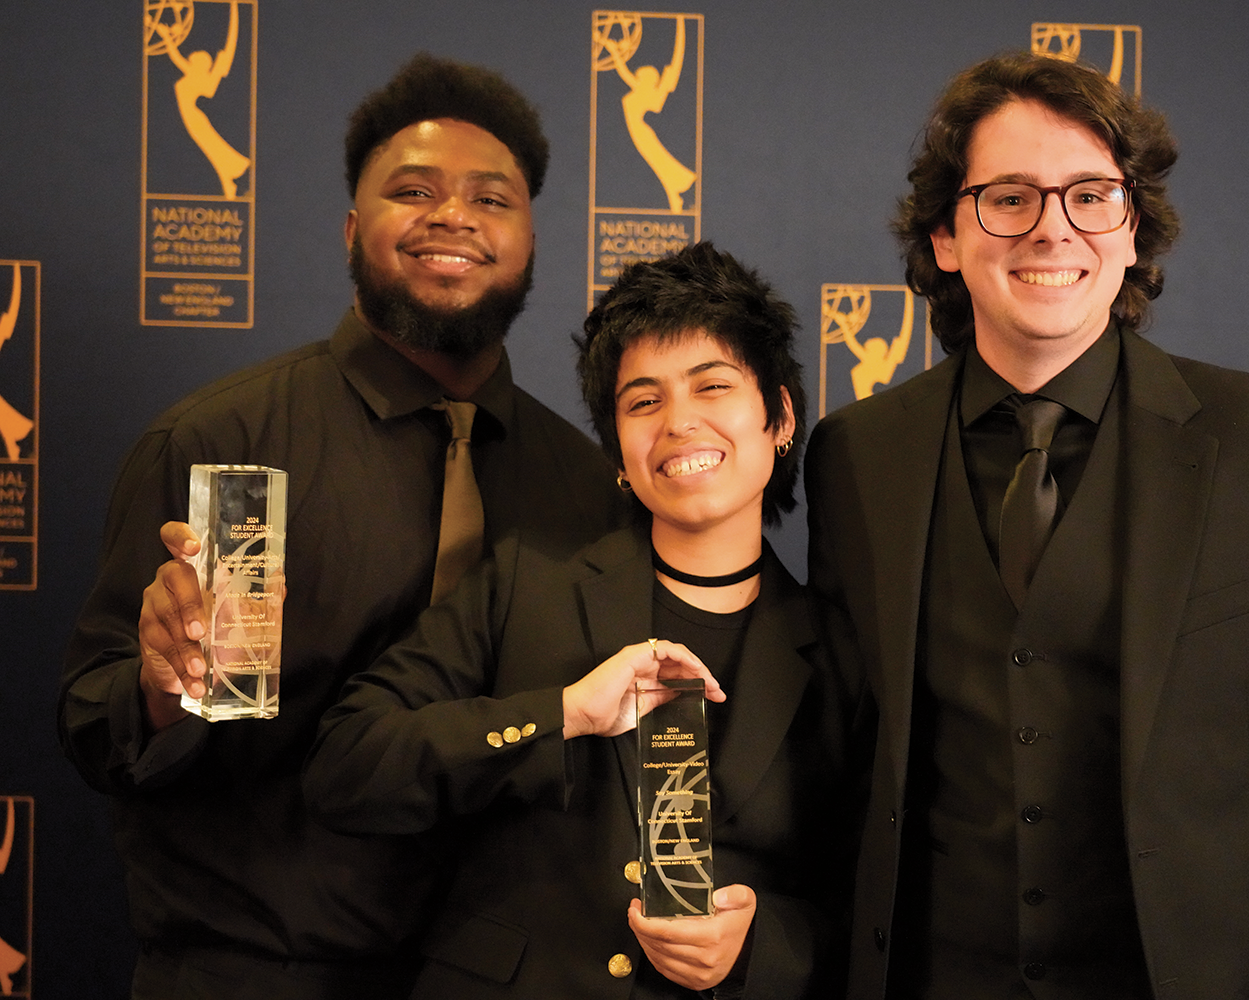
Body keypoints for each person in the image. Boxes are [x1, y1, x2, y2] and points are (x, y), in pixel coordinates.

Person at [804, 52, 1249, 999]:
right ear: (947, 238)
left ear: (1133, 233)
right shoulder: (854, 456)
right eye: (1009, 197)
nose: (1052, 229)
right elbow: (831, 770)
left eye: (1090, 195)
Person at [59, 53, 624, 999]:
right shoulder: (219, 439)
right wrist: (160, 685)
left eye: (493, 199)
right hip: (249, 971)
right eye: (415, 191)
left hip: (501, 976)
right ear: (353, 228)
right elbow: (89, 720)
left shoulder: (585, 483)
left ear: (528, 241)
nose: (454, 216)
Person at [304, 242, 853, 999]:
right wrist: (557, 715)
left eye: (714, 386)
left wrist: (759, 947)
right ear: (619, 453)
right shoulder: (527, 584)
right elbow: (347, 766)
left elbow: (877, 902)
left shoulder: (838, 646)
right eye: (643, 401)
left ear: (780, 416)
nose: (681, 424)